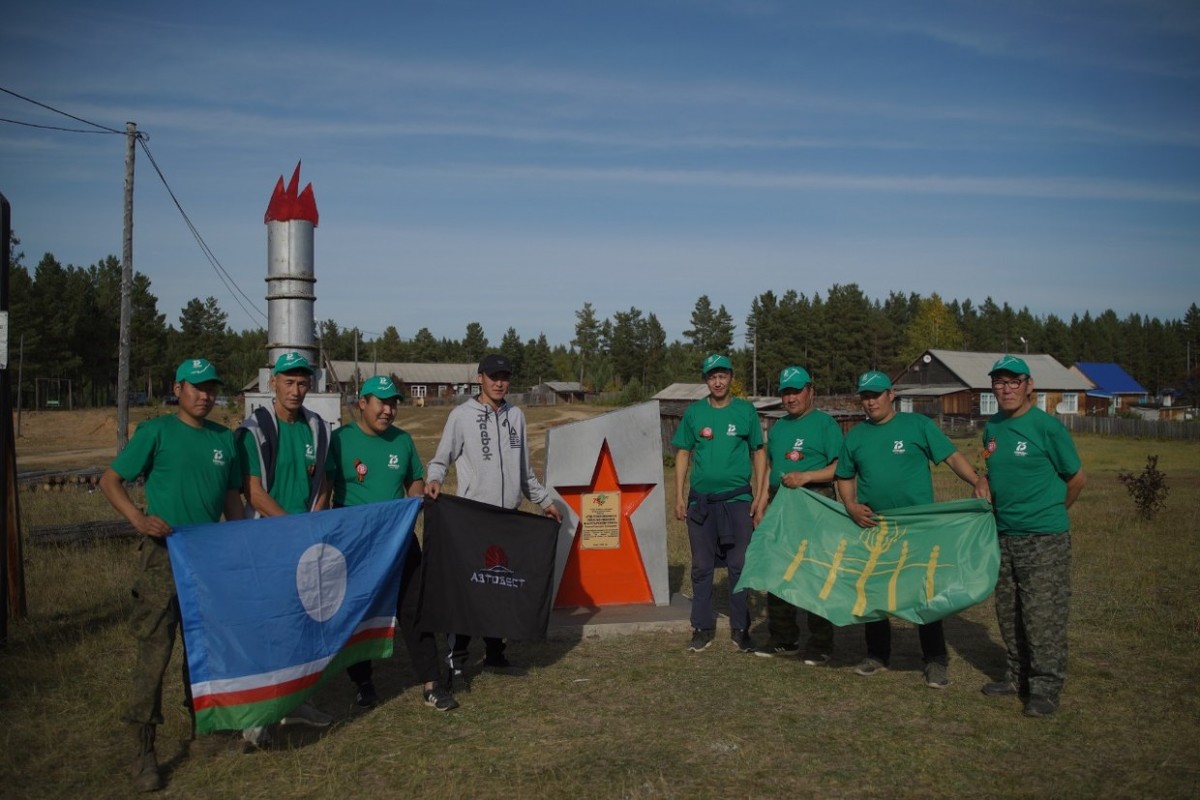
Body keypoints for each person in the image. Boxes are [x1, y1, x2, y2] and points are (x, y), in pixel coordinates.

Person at [99, 358, 244, 793]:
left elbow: (233, 497)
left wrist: (239, 543)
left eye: (211, 388)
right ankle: (144, 749)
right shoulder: (156, 432)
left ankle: (206, 731)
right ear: (177, 388)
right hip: (163, 556)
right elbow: (111, 480)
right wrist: (138, 520)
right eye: (196, 387)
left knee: (202, 651)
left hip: (207, 558)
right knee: (154, 655)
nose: (204, 395)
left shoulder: (224, 438)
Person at [834, 370, 990, 688]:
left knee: (924, 594)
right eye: (865, 396)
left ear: (891, 395)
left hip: (919, 528)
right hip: (875, 527)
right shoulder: (855, 436)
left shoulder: (917, 426)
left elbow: (951, 457)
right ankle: (877, 655)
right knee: (874, 592)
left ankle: (935, 660)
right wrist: (850, 505)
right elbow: (844, 475)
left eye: (876, 394)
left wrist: (977, 481)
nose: (870, 401)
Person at [424, 353, 563, 686]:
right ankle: (456, 662)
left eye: (504, 377)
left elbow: (525, 472)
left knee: (502, 589)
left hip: (507, 519)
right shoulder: (461, 416)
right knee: (468, 590)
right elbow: (442, 458)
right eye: (493, 376)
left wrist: (544, 501)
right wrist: (434, 479)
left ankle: (496, 654)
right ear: (479, 378)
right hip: (472, 520)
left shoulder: (517, 416)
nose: (499, 382)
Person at [329, 375, 459, 712]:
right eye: (381, 402)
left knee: (415, 608)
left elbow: (414, 478)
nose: (388, 410)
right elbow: (324, 488)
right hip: (355, 546)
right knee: (358, 612)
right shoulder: (340, 441)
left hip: (399, 542)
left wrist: (417, 496)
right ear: (362, 403)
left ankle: (432, 684)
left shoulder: (402, 441)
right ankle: (363, 684)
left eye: (393, 403)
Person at [978, 355, 1086, 717]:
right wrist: (983, 481)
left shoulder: (1046, 427)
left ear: (1029, 387)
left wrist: (1053, 512)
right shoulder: (993, 427)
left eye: (1013, 382)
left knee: (1043, 617)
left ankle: (1045, 687)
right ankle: (1016, 676)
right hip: (1003, 534)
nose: (1005, 389)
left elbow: (1076, 478)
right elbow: (993, 470)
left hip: (1043, 537)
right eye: (999, 382)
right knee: (1009, 612)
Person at [236, 351, 335, 737]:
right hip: (267, 540)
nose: (296, 390)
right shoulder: (255, 429)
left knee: (301, 622)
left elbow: (324, 482)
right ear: (271, 384)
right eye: (288, 382)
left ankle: (298, 700)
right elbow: (252, 491)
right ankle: (259, 712)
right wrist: (291, 526)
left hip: (303, 542)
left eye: (302, 383)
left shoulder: (317, 428)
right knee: (267, 626)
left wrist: (314, 518)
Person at [672, 354, 766, 653]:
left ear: (731, 377)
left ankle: (741, 628)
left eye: (723, 375)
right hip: (701, 503)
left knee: (739, 566)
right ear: (706, 380)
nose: (718, 381)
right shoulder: (694, 413)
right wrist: (678, 495)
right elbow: (683, 452)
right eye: (712, 376)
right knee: (701, 567)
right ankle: (701, 627)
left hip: (738, 501)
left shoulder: (745, 412)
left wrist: (760, 497)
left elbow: (759, 453)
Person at [752, 366, 842, 665]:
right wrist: (763, 501)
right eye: (785, 392)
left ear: (810, 391)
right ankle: (783, 638)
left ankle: (821, 643)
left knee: (814, 572)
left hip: (814, 502)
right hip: (781, 504)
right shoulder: (778, 428)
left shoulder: (825, 424)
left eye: (796, 391)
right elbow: (770, 468)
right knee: (780, 572)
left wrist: (807, 476)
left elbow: (840, 469)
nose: (790, 398)